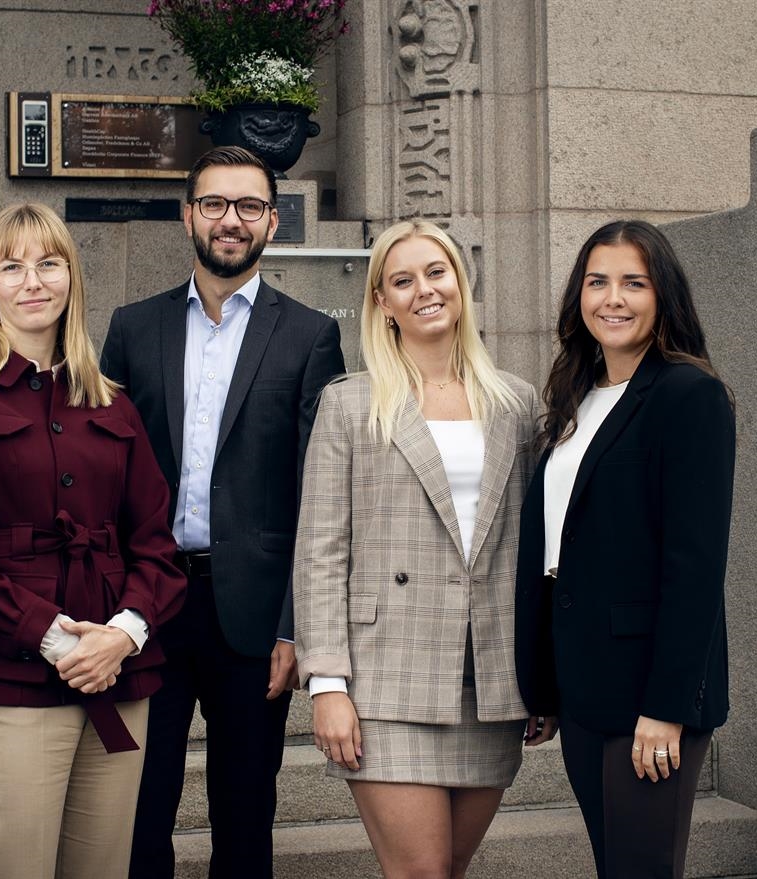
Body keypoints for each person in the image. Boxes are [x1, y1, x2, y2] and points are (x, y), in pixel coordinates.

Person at [0, 202, 186, 879]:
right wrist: (56, 638)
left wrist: (122, 634)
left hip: (118, 675)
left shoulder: (111, 402)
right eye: (12, 265)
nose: (32, 281)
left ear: (71, 278)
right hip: (10, 674)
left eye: (49, 263)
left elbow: (158, 543)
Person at [101, 146, 345, 879]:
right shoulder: (132, 328)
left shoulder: (309, 336)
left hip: (254, 615)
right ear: (188, 215)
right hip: (148, 605)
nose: (229, 220)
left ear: (272, 220)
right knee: (139, 807)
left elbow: (320, 491)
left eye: (247, 206)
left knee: (245, 814)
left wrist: (294, 626)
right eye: (214, 203)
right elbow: (106, 476)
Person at [293, 219, 556, 879]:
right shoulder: (351, 404)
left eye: (436, 273)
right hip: (386, 680)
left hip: (488, 680)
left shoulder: (517, 404)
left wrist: (541, 674)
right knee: (421, 872)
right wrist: (327, 682)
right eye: (402, 280)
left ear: (460, 283)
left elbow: (536, 553)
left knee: (450, 868)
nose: (423, 291)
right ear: (381, 301)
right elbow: (321, 550)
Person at [514, 219, 736, 878]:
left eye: (633, 283)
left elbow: (694, 566)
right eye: (597, 281)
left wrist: (665, 707)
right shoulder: (576, 394)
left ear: (662, 295)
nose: (612, 298)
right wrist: (546, 685)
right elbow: (561, 546)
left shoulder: (689, 395)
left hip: (650, 691)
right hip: (584, 685)